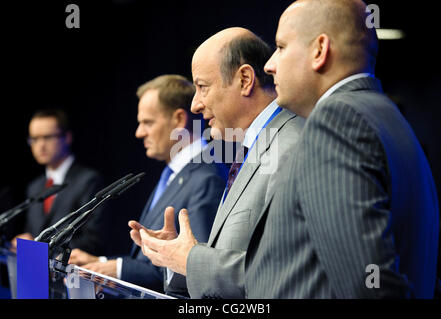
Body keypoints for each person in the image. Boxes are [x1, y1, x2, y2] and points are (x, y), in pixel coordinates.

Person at [243, 0, 439, 298]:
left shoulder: (336, 122)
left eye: (281, 47)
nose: (269, 64)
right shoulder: (392, 121)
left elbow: (369, 287)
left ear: (319, 50)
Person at [129, 28, 305, 298]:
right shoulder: (251, 148)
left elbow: (285, 273)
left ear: (245, 79)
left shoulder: (291, 148)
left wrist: (192, 258)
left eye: (202, 87)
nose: (195, 105)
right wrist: (177, 256)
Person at [69, 74, 227, 296]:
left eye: (148, 122)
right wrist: (103, 262)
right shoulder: (174, 172)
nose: (139, 132)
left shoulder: (206, 178)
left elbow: (196, 271)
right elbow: (154, 261)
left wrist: (117, 269)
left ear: (179, 120)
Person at [11, 109, 104, 255]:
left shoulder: (88, 180)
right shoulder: (34, 187)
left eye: (47, 137)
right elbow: (32, 232)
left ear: (67, 137)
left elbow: (93, 240)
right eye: (34, 139)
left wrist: (39, 247)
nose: (40, 145)